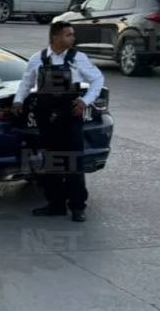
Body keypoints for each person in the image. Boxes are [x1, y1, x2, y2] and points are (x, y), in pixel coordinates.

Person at [13, 21, 104, 222]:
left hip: (70, 116)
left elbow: (98, 79)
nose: (72, 38)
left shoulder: (77, 58)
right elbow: (26, 83)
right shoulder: (38, 59)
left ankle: (77, 207)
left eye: (72, 34)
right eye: (68, 34)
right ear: (55, 37)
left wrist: (85, 101)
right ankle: (55, 204)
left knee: (73, 162)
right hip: (46, 117)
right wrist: (18, 101)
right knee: (51, 161)